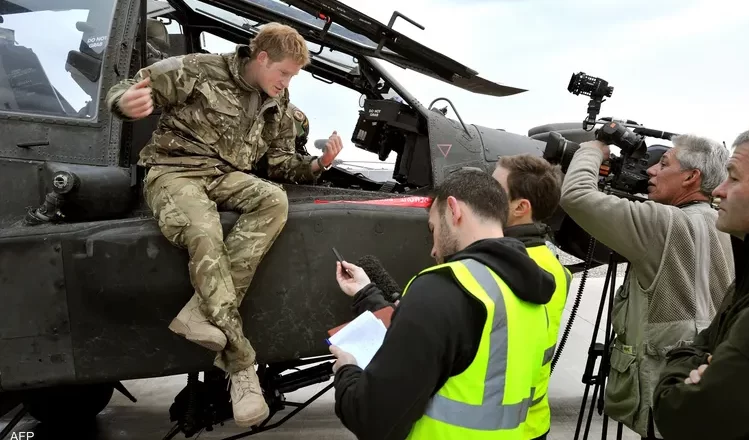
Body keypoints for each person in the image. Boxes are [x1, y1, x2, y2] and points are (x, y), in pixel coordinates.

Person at [104, 22, 344, 427]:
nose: (286, 83)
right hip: (174, 171)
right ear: (261, 57)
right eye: (283, 73)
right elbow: (128, 88)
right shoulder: (199, 69)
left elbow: (281, 165)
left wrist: (319, 164)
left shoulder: (277, 102)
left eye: (292, 77)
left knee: (273, 199)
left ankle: (202, 312)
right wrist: (123, 102)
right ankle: (241, 367)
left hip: (224, 176)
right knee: (204, 231)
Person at [329, 169, 558, 439]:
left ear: (453, 210)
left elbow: (370, 417)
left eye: (433, 228)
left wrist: (347, 370)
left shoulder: (442, 287)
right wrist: (366, 292)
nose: (433, 249)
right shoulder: (528, 291)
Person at [558, 133, 735, 439]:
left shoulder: (660, 222)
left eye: (664, 164)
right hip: (708, 383)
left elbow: (576, 196)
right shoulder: (724, 223)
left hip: (664, 388)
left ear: (691, 177)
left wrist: (591, 151)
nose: (651, 171)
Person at [652, 120, 749, 440]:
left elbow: (682, 415)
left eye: (733, 177)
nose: (719, 190)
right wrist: (706, 360)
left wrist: (685, 361)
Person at [492, 154, 572, 440]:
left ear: (520, 207)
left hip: (496, 427)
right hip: (533, 421)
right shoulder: (555, 267)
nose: (484, 194)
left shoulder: (500, 267)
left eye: (494, 189)